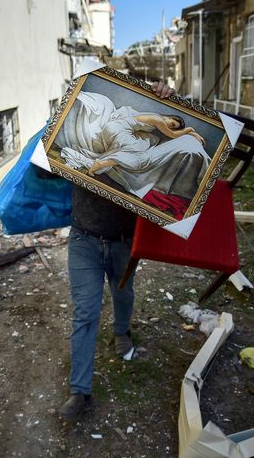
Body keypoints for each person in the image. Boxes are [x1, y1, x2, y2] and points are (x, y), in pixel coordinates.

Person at [58, 81, 174, 421]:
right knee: (85, 313)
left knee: (123, 294)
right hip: (84, 240)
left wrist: (166, 101)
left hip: (124, 239)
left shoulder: (138, 146)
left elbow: (169, 131)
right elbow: (46, 159)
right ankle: (80, 392)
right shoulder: (76, 136)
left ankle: (122, 331)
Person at [54, 91, 211, 205]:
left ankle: (102, 162)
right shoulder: (159, 120)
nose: (170, 126)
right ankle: (101, 163)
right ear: (168, 117)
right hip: (117, 129)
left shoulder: (153, 118)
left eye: (173, 126)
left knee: (140, 148)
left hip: (115, 128)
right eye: (172, 123)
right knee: (141, 160)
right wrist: (189, 131)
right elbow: (173, 135)